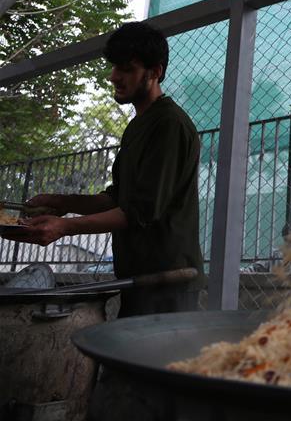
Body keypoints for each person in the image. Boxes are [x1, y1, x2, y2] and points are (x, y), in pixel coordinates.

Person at [1, 22, 205, 316]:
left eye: (126, 69)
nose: (114, 76)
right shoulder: (139, 125)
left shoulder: (168, 125)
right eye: (114, 67)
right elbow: (116, 199)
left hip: (168, 281)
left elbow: (140, 212)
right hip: (139, 280)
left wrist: (64, 227)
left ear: (155, 71)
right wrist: (59, 203)